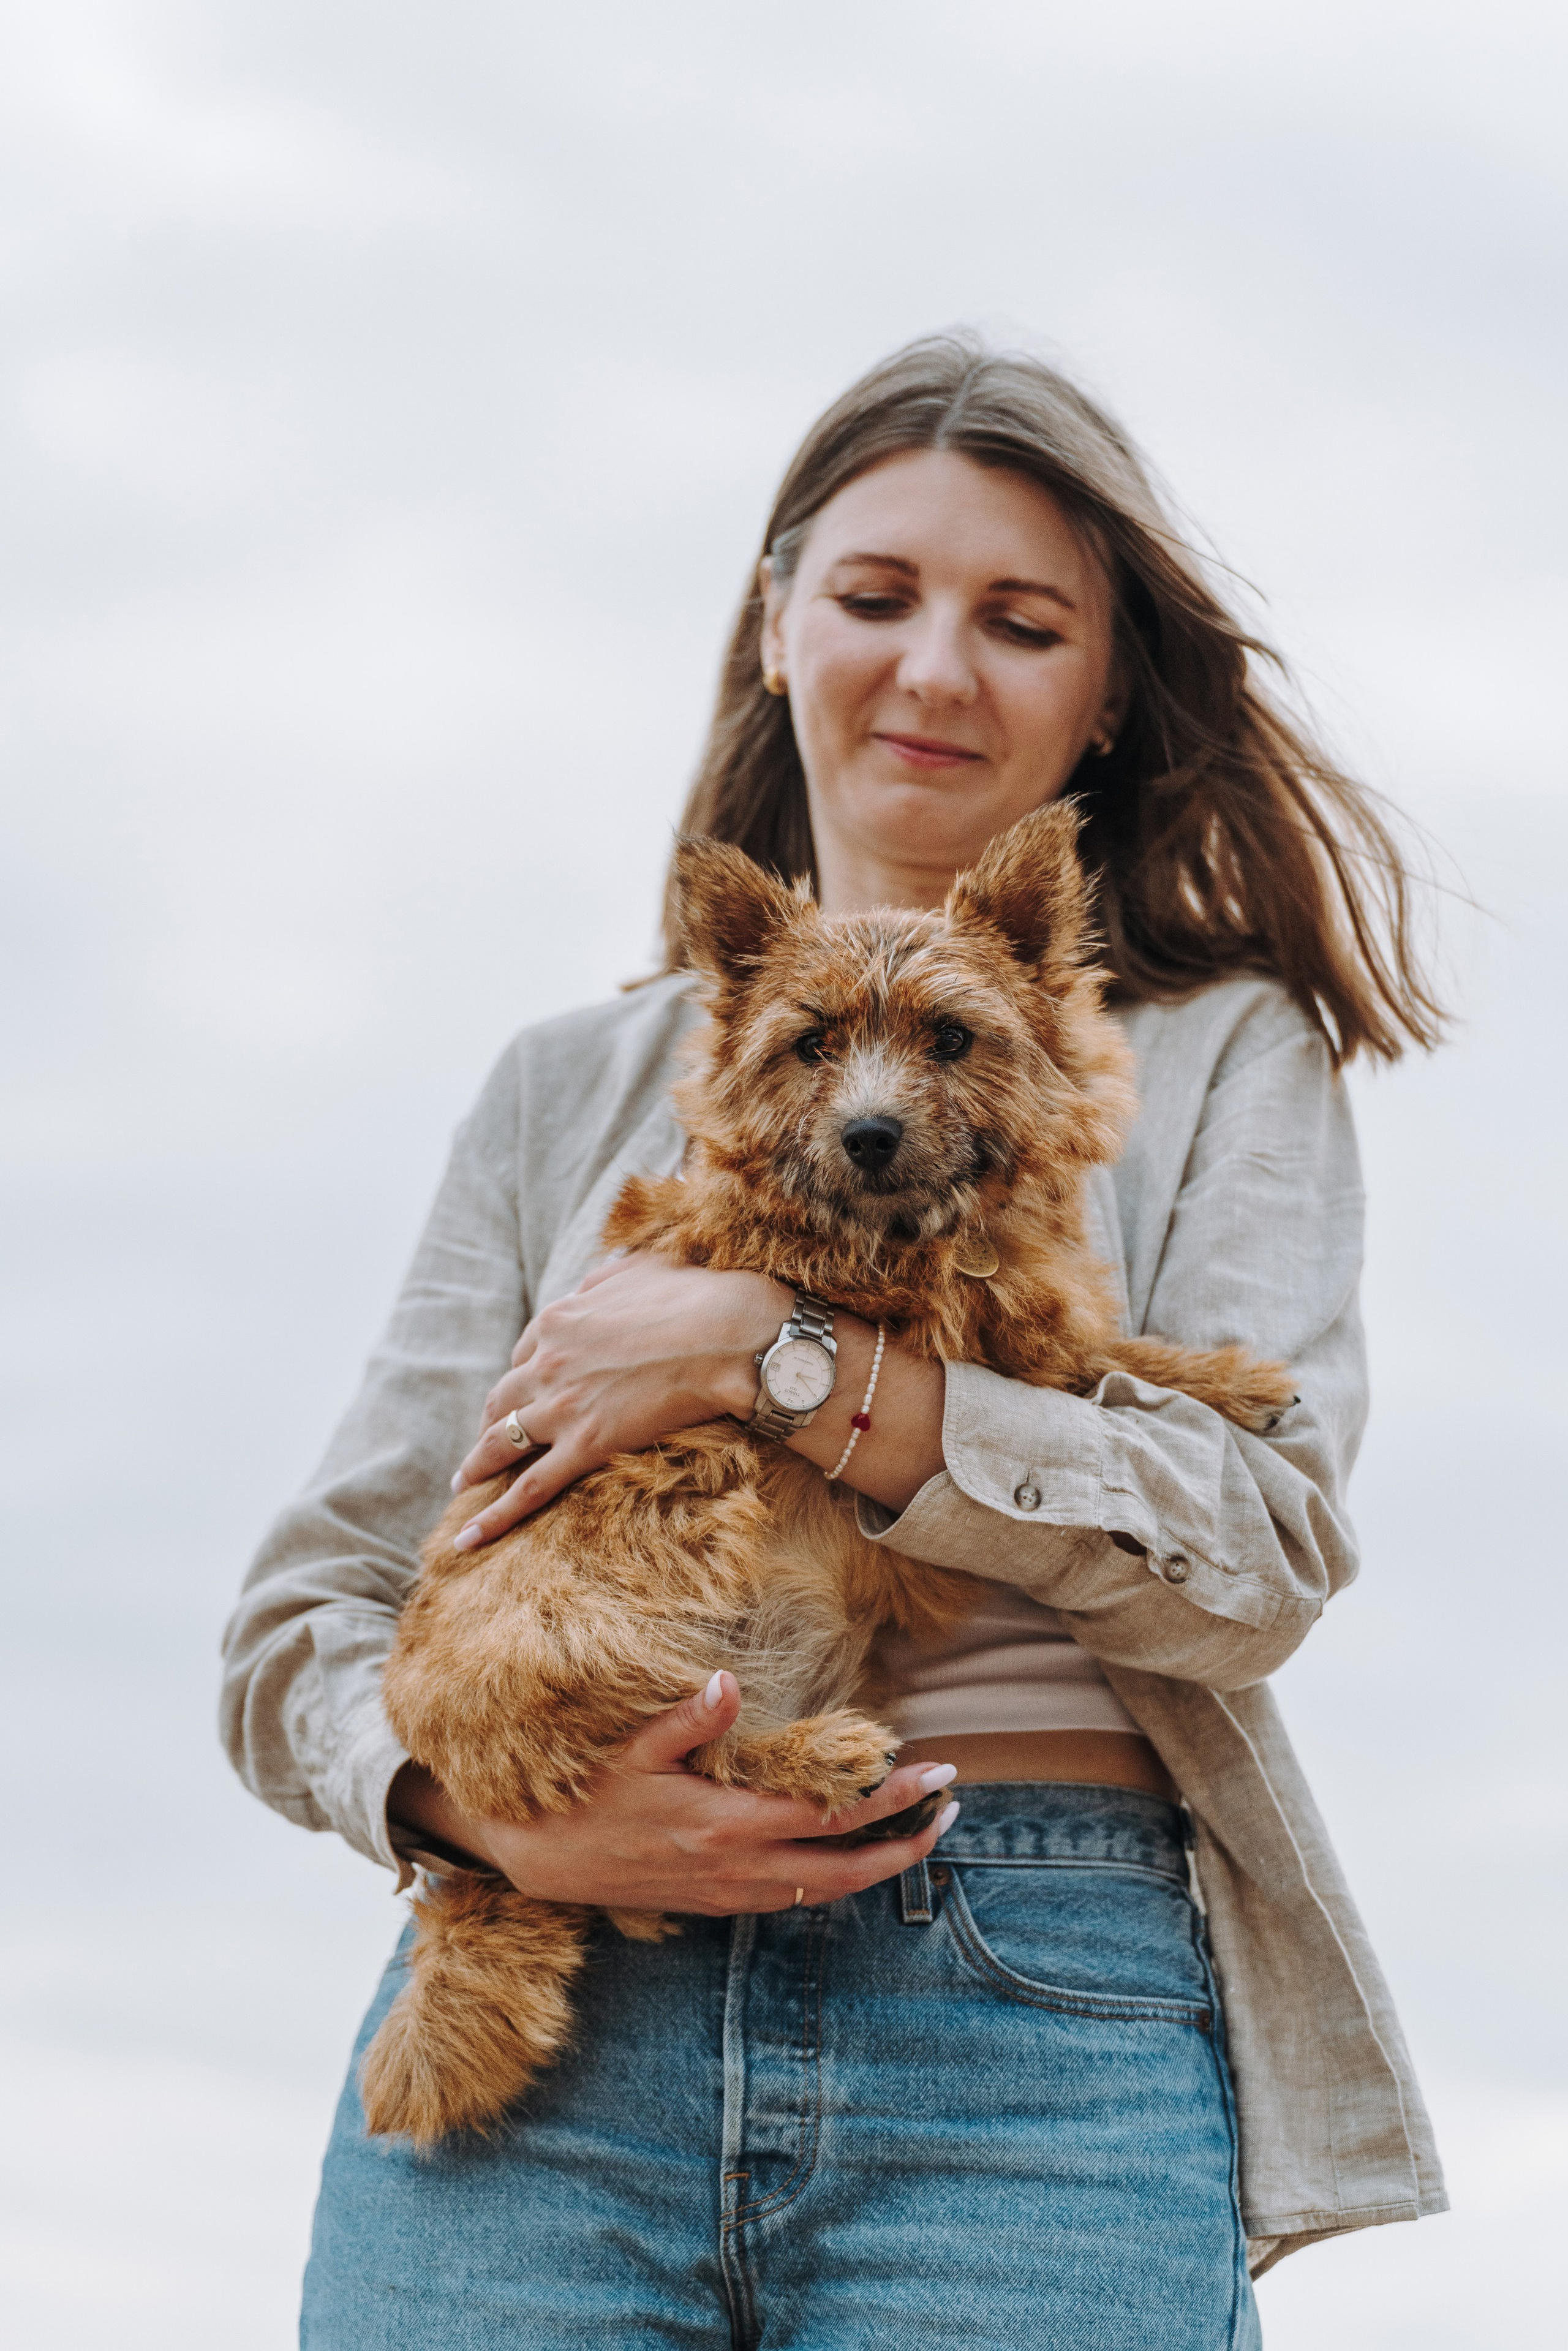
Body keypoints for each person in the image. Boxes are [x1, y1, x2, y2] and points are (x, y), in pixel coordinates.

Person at [222, 334, 1447, 2350]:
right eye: (876, 598)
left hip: (1029, 2014)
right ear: (778, 627)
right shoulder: (569, 1085)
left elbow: (1259, 1561)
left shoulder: (1226, 1056)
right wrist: (463, 1810)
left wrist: (769, 1356)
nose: (938, 668)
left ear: (1110, 687)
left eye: (1022, 621)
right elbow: (310, 1616)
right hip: (557, 2027)